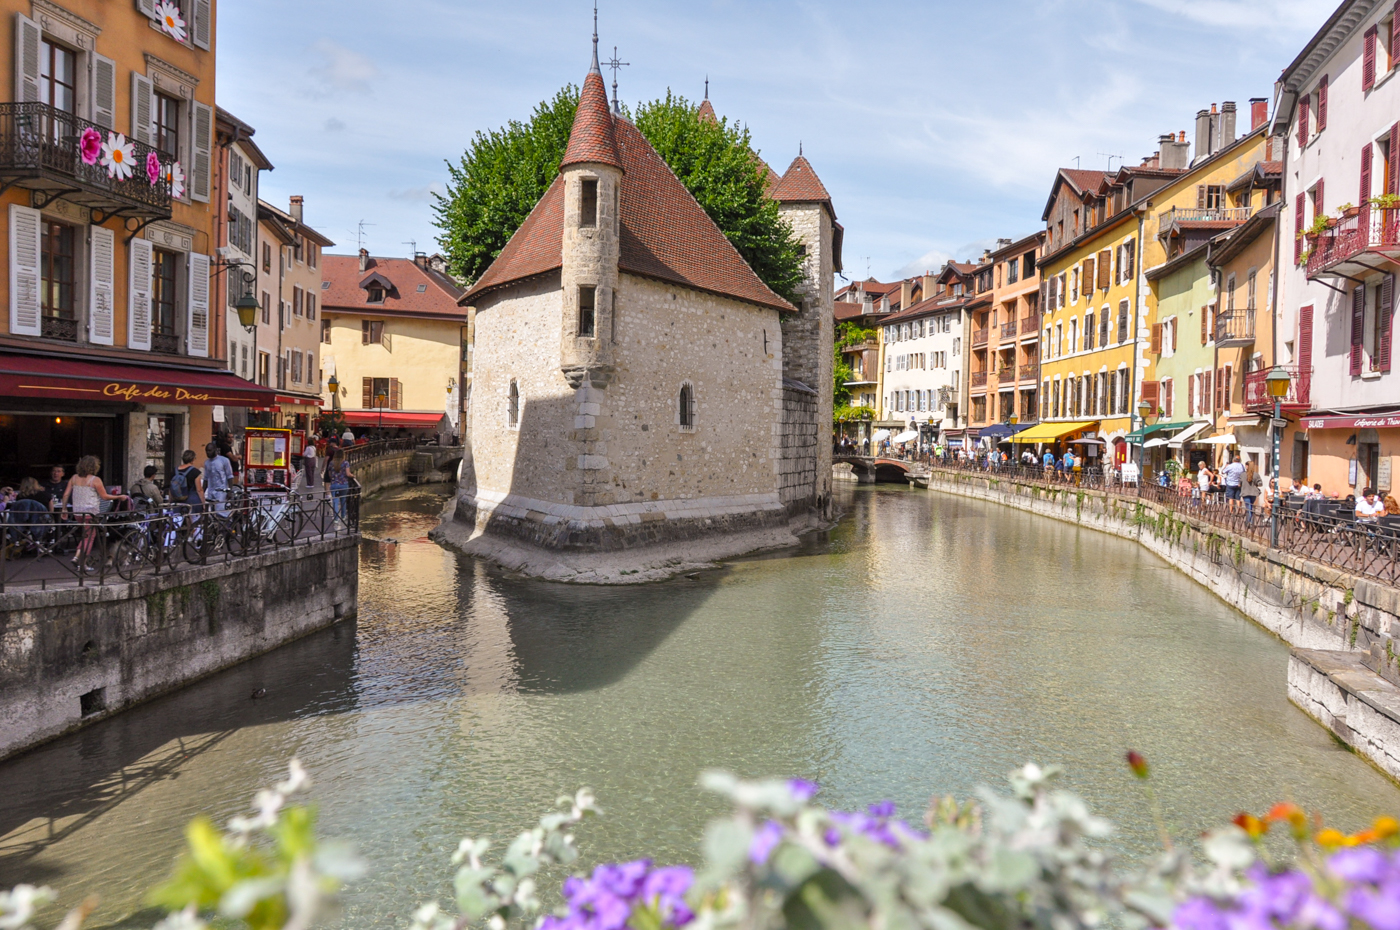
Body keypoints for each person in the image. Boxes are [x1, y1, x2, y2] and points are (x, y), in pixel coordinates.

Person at [61, 455, 127, 565]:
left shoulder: (74, 478)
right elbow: (104, 496)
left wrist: (64, 509)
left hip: (77, 512)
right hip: (91, 513)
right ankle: (79, 559)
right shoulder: (95, 480)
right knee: (89, 537)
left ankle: (80, 559)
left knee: (85, 535)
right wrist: (119, 497)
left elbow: (66, 494)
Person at [202, 442, 234, 511]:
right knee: (210, 511)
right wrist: (202, 492)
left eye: (210, 450)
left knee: (220, 511)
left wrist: (229, 491)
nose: (208, 453)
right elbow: (206, 479)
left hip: (221, 491)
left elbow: (230, 476)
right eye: (206, 451)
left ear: (215, 450)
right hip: (211, 491)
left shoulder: (224, 460)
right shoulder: (206, 463)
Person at [327, 448, 354, 521]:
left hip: (334, 485)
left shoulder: (331, 463)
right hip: (343, 485)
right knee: (343, 500)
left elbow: (330, 475)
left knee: (335, 502)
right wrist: (353, 476)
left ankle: (336, 519)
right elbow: (348, 474)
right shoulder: (345, 463)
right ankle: (343, 516)